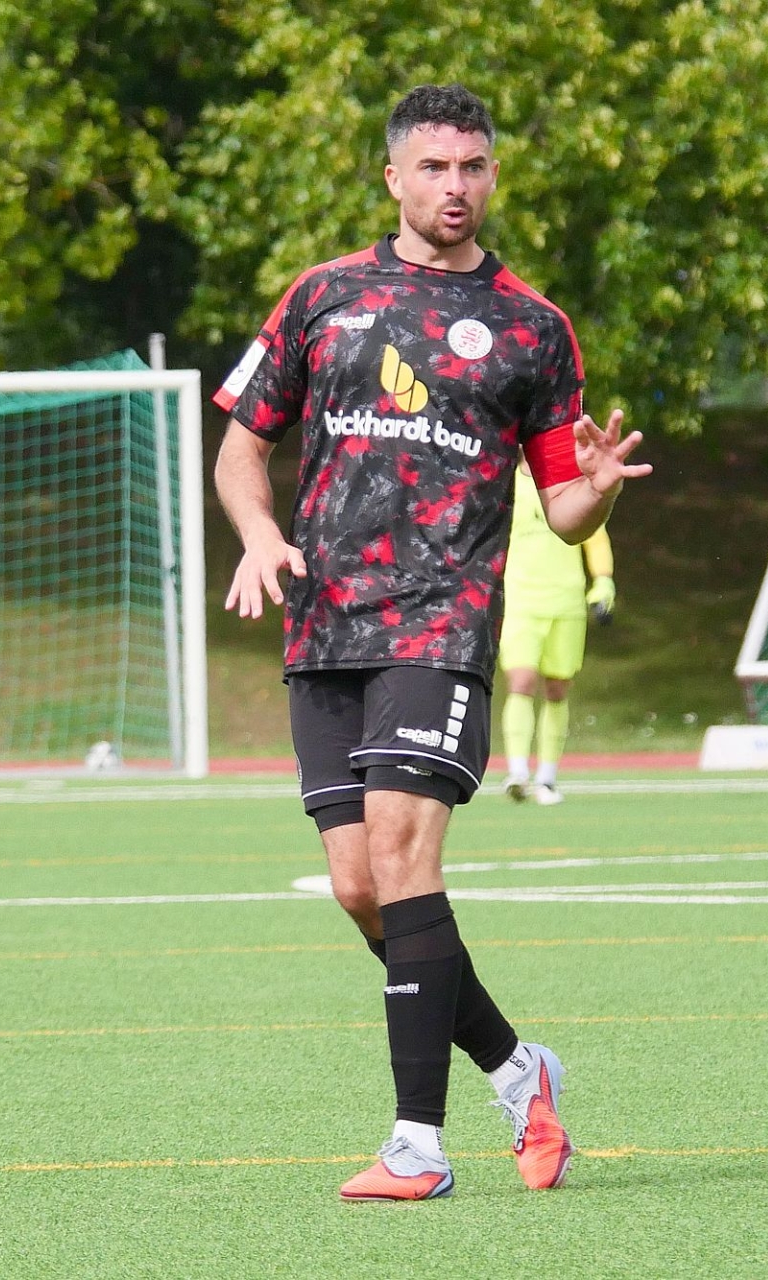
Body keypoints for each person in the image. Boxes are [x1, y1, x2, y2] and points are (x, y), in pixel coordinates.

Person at [211, 83, 649, 1202]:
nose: (457, 186)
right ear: (394, 177)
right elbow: (242, 445)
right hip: (325, 624)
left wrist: (597, 489)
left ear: (492, 175)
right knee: (361, 886)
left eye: (474, 166)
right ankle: (517, 1067)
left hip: (442, 621)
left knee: (407, 857)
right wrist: (259, 535)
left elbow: (563, 508)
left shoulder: (533, 325)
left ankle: (418, 1143)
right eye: (436, 167)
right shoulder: (322, 295)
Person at [499, 460, 618, 805]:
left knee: (557, 687)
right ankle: (517, 772)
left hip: (566, 599)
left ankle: (547, 778)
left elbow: (594, 534)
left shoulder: (570, 481)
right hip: (520, 599)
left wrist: (603, 581)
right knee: (520, 681)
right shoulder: (506, 482)